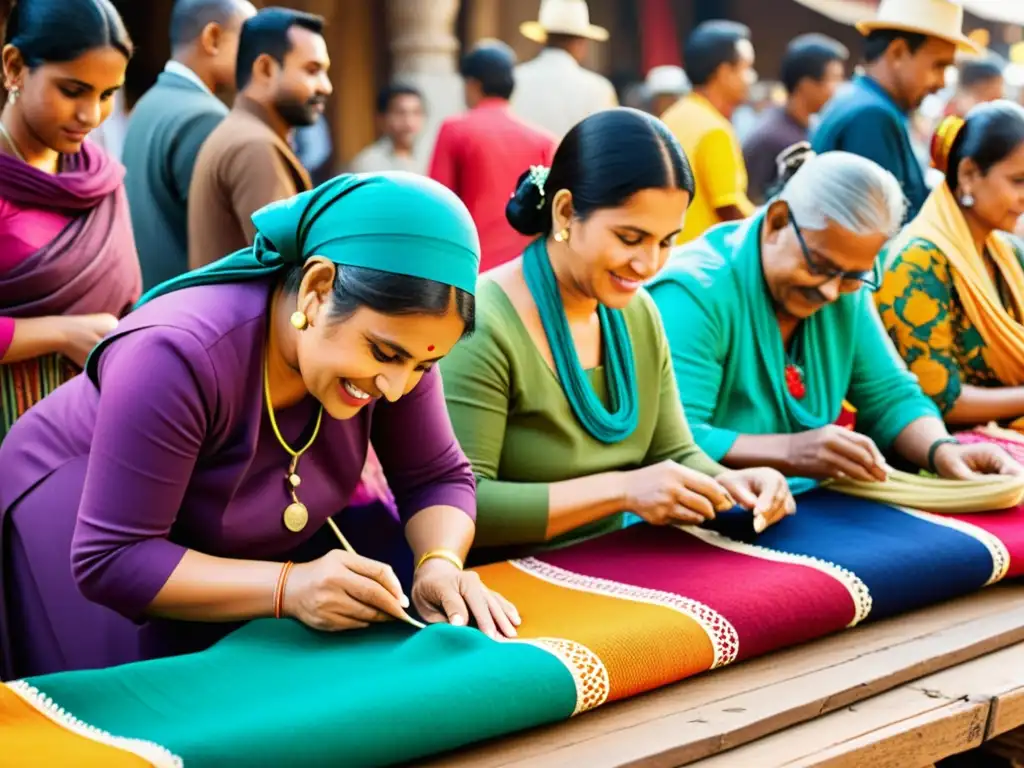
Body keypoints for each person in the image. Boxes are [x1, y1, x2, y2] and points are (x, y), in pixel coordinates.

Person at [0, 172, 519, 681]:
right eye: (386, 354)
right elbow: (114, 558)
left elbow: (436, 476)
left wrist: (439, 562)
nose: (396, 387)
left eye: (423, 367)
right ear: (317, 289)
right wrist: (288, 589)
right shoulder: (174, 354)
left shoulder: (397, 355)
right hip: (74, 512)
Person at [439, 108, 793, 565]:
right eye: (630, 238)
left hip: (616, 564)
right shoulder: (484, 321)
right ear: (566, 212)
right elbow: (461, 506)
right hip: (503, 588)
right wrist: (623, 491)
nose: (648, 265)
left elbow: (674, 451)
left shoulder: (637, 310)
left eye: (666, 242)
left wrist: (733, 482)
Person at [647, 151, 1020, 494]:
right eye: (820, 267)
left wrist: (941, 450)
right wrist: (792, 450)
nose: (829, 292)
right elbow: (673, 442)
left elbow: (891, 396)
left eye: (852, 276)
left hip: (798, 505)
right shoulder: (695, 293)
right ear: (777, 222)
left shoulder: (847, 289)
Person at [0, 0, 141, 440]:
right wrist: (62, 333)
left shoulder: (99, 178)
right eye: (72, 90)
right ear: (14, 67)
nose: (91, 115)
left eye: (106, 94)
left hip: (95, 422)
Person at [876, 103, 1024, 427]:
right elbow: (937, 397)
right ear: (968, 174)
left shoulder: (1008, 253)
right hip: (946, 448)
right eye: (1018, 181)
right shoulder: (917, 262)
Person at [123, 0, 256, 290]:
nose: (256, 58)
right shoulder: (204, 117)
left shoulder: (148, 103)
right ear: (213, 38)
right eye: (248, 42)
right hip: (188, 310)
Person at [187, 7, 330, 269]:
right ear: (265, 69)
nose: (325, 86)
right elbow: (287, 274)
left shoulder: (244, 132)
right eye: (312, 70)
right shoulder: (254, 145)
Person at [811, 0, 975, 222]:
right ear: (897, 52)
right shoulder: (872, 116)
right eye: (938, 66)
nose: (942, 83)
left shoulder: (862, 101)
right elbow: (883, 230)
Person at [429, 41, 555, 273]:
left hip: (469, 268)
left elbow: (436, 206)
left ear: (473, 84)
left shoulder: (455, 129)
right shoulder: (543, 141)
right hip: (527, 272)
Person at [660, 21, 756, 244]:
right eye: (746, 68)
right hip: (703, 263)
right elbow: (730, 209)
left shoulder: (674, 115)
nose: (752, 77)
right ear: (724, 72)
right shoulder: (715, 130)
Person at [743, 34, 849, 204]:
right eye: (834, 79)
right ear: (806, 85)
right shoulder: (769, 137)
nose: (840, 88)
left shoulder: (813, 125)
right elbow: (752, 201)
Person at [510, 0, 617, 139]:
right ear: (581, 42)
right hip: (574, 161)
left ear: (544, 38)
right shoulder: (599, 89)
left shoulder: (514, 79)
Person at [349, 83, 426, 175]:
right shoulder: (368, 164)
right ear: (382, 118)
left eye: (416, 113)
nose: (409, 122)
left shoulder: (430, 157)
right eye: (400, 113)